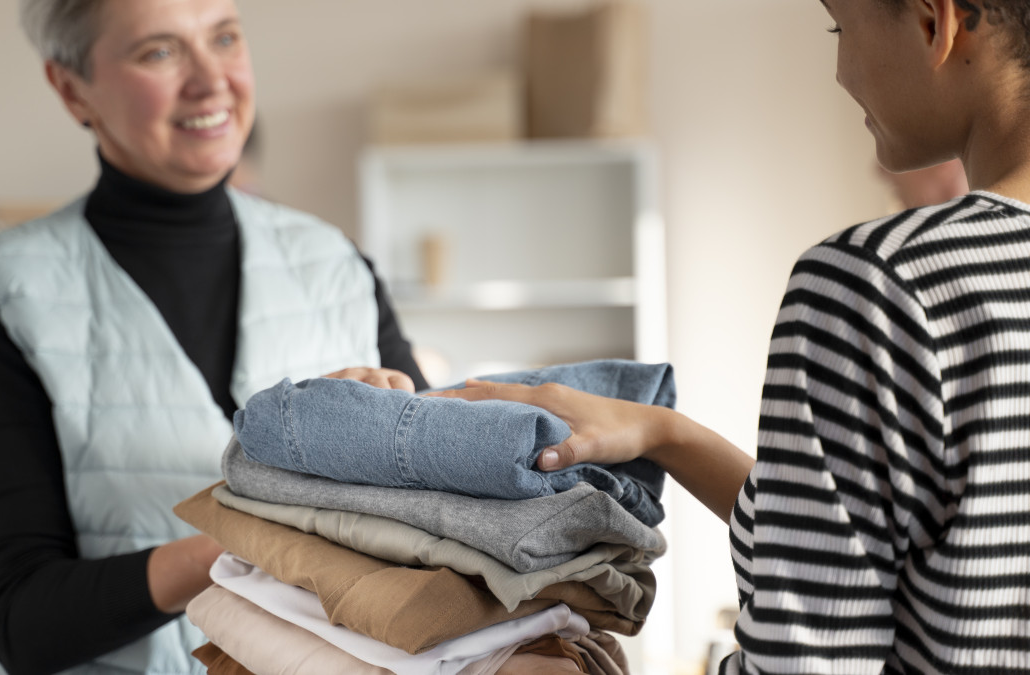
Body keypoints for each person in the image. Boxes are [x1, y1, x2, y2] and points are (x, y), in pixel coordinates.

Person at [437, 0, 1030, 672]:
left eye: (840, 26)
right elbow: (901, 539)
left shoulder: (878, 282)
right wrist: (667, 432)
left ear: (934, 24)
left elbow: (807, 656)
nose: (838, 71)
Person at [0, 0, 427, 673]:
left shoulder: (337, 266)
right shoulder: (3, 292)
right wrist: (253, 540)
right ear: (72, 87)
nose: (211, 80)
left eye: (224, 38)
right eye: (159, 52)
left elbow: (441, 532)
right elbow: (21, 619)